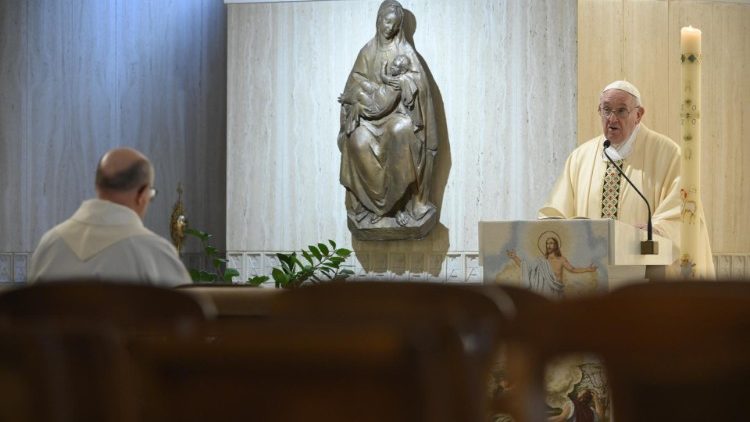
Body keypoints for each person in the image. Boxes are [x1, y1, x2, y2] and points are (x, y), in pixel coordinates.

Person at [539, 80, 715, 278]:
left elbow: (683, 212)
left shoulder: (669, 154)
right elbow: (555, 213)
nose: (612, 119)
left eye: (621, 111)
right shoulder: (580, 158)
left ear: (638, 115)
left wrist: (656, 230)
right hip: (592, 275)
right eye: (606, 110)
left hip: (644, 276)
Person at [338, 0, 438, 230]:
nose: (389, 28)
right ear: (378, 19)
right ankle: (374, 206)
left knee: (401, 131)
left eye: (394, 25)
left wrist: (402, 82)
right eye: (386, 22)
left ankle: (399, 205)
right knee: (357, 140)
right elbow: (354, 83)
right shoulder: (367, 51)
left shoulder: (405, 52)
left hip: (396, 114)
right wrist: (367, 93)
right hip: (369, 116)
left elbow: (420, 86)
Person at [28, 147, 191, 286]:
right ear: (142, 194)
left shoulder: (49, 245)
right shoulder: (155, 253)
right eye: (151, 194)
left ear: (97, 186)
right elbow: (188, 311)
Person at [338, 54, 416, 130]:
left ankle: (345, 99)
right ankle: (350, 95)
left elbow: (383, 77)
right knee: (364, 84)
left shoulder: (397, 81)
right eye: (393, 64)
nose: (392, 67)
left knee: (360, 94)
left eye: (395, 66)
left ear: (402, 71)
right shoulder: (396, 77)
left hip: (376, 106)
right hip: (376, 93)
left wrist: (383, 65)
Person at [507, 236, 596, 298]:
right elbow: (526, 267)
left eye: (551, 243)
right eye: (547, 244)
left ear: (556, 245)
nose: (549, 245)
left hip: (557, 292)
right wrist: (514, 257)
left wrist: (587, 269)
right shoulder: (541, 260)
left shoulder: (561, 259)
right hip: (543, 294)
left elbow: (572, 269)